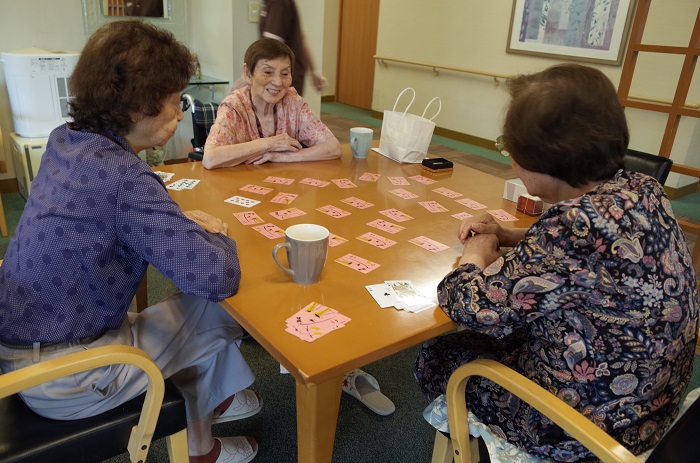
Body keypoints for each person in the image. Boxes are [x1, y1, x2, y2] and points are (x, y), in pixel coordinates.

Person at [0, 20, 261, 463]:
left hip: (29, 342)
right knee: (216, 306)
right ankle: (203, 440)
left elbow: (97, 215)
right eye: (174, 102)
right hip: (68, 377)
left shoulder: (66, 139)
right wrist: (211, 233)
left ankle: (212, 407)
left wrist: (174, 221)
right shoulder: (125, 178)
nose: (180, 114)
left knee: (194, 312)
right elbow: (217, 276)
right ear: (138, 108)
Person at [414, 63, 698, 462]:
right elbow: (592, 259)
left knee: (438, 355)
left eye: (509, 148)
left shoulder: (573, 227)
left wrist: (474, 253)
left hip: (593, 428)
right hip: (655, 401)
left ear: (542, 160)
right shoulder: (640, 186)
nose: (510, 160)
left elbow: (470, 306)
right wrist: (510, 235)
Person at [202, 38, 341, 170]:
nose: (278, 82)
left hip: (284, 181)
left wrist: (283, 157)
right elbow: (210, 158)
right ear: (248, 73)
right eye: (268, 72)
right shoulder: (234, 106)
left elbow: (333, 148)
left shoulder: (292, 102)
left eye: (285, 74)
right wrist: (269, 143)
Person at [259, 0, 326, 95]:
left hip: (284, 76)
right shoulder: (271, 3)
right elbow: (300, 37)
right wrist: (314, 72)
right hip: (284, 73)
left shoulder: (278, 3)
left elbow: (270, 47)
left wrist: (247, 77)